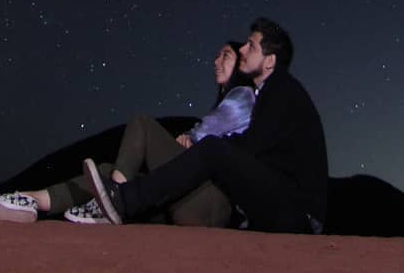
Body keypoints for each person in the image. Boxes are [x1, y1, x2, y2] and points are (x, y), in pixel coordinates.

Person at [84, 16, 328, 234]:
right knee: (212, 154)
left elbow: (253, 145)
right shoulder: (271, 92)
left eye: (251, 45)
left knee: (213, 149)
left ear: (270, 61)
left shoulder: (282, 89)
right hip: (284, 203)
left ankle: (123, 200)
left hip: (299, 214)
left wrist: (203, 146)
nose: (243, 49)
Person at [0, 40, 255, 225]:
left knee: (143, 125)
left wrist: (192, 136)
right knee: (108, 171)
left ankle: (115, 200)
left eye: (225, 55)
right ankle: (31, 201)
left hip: (212, 206)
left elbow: (209, 132)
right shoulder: (225, 101)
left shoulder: (242, 95)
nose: (216, 60)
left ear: (241, 65)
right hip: (192, 204)